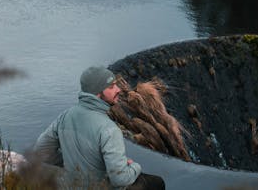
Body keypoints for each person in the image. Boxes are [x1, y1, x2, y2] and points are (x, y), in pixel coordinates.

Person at [35, 66, 165, 189]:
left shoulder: (65, 116)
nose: (118, 90)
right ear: (98, 93)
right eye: (111, 87)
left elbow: (41, 152)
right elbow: (120, 179)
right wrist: (135, 167)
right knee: (157, 183)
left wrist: (72, 163)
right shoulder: (109, 128)